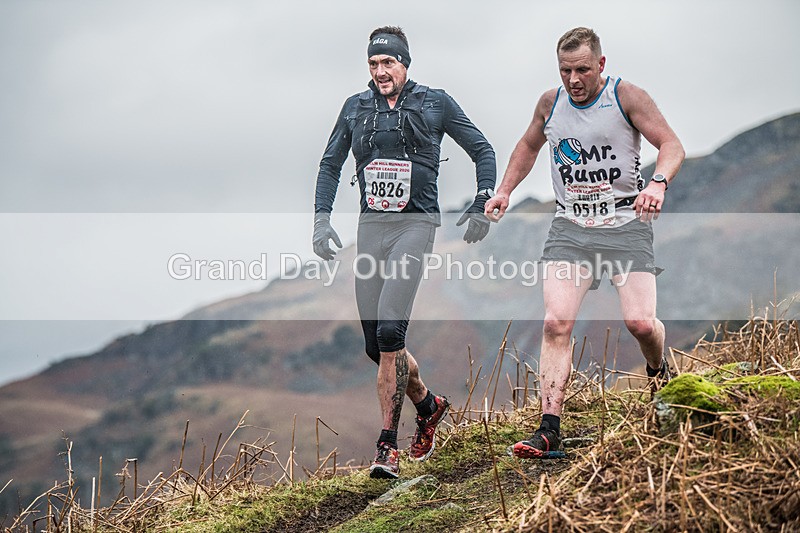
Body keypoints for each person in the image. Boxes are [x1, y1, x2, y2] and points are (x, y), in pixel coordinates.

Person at [485, 27, 684, 458]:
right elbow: (528, 146)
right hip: (571, 226)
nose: (573, 80)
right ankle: (548, 430)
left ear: (601, 64)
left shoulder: (626, 96)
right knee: (556, 323)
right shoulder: (550, 103)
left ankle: (658, 370)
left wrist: (658, 183)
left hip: (626, 222)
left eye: (582, 70)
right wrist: (504, 191)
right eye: (565, 71)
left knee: (641, 324)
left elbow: (671, 144)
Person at [313, 26, 496, 477]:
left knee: (392, 330)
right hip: (372, 229)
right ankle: (428, 405)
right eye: (373, 64)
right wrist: (321, 219)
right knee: (376, 345)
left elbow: (482, 149)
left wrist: (482, 200)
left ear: (404, 64)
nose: (380, 71)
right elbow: (330, 164)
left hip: (416, 226)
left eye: (388, 63)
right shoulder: (355, 108)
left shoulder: (435, 103)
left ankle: (386, 447)